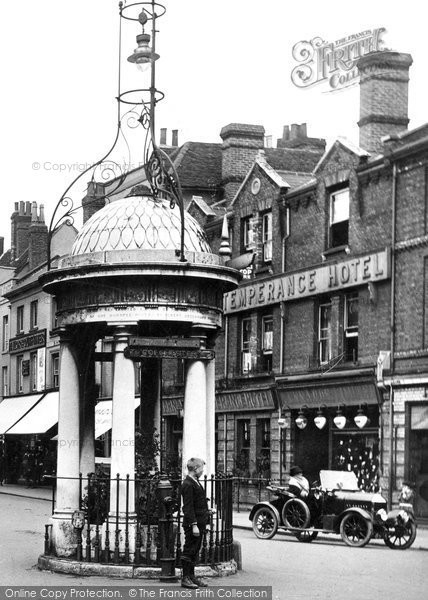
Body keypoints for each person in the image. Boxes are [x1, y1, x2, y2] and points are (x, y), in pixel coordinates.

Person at [180, 457, 210, 589]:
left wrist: (207, 511)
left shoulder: (195, 482)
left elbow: (197, 502)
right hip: (193, 524)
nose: (203, 471)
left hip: (199, 522)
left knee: (194, 551)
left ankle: (191, 576)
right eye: (201, 469)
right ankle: (185, 578)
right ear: (195, 469)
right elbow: (188, 507)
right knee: (189, 550)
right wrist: (194, 525)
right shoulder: (187, 484)